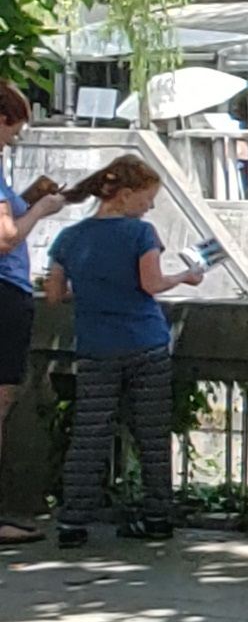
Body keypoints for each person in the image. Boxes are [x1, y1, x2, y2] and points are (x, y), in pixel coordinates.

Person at [38, 155, 208, 548]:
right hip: (145, 343)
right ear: (126, 195)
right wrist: (187, 276)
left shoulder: (70, 239)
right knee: (150, 433)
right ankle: (157, 516)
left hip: (95, 346)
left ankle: (72, 521)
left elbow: (53, 295)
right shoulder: (141, 234)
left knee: (89, 433)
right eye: (147, 198)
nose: (149, 207)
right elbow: (151, 284)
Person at [0, 85, 53, 545]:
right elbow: (5, 238)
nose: (15, 138)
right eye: (14, 127)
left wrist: (24, 198)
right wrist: (41, 208)